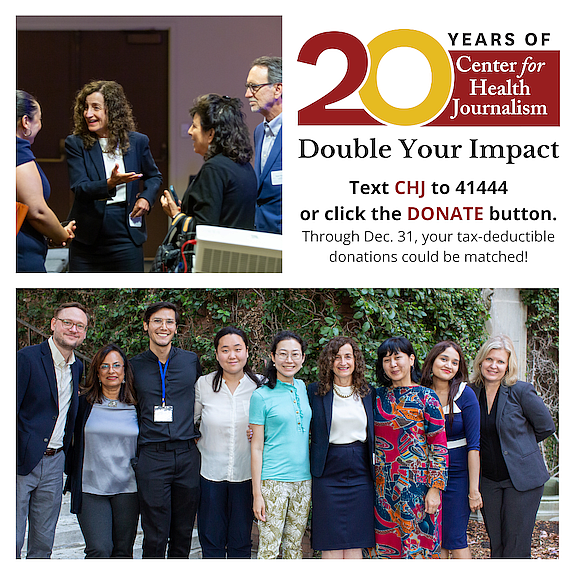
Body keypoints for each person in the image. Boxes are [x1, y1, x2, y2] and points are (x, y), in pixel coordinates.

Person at [469, 334, 555, 558]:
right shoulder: (470, 392)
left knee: (515, 548)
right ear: (481, 361)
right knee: (497, 546)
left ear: (508, 366)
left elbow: (546, 426)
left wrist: (518, 447)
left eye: (500, 361)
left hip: (522, 480)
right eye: (489, 359)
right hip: (488, 481)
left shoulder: (521, 391)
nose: (493, 366)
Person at [129, 302, 202, 558]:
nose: (164, 327)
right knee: (155, 533)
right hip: (152, 456)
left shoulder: (191, 361)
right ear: (147, 326)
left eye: (169, 322)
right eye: (157, 321)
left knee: (183, 532)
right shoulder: (133, 366)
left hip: (186, 455)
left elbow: (205, 400)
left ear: (175, 328)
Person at [65, 80, 162, 272]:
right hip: (87, 238)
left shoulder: (137, 141)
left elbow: (153, 177)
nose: (88, 114)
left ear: (113, 110)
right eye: (85, 108)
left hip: (126, 234)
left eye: (96, 108)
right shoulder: (75, 144)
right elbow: (80, 188)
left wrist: (146, 199)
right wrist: (110, 183)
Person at [17, 302, 88, 558]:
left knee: (43, 542)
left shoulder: (77, 366)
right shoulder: (26, 359)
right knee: (11, 539)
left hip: (55, 462)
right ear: (53, 324)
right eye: (68, 322)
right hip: (21, 461)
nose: (73, 329)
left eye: (80, 326)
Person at [372, 336, 448, 559]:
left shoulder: (427, 397)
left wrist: (435, 489)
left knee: (419, 549)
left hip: (420, 489)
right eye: (387, 360)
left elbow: (439, 448)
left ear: (411, 359)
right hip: (384, 489)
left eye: (398, 357)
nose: (393, 364)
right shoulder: (376, 398)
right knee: (387, 551)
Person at [64, 344, 139, 558]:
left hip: (128, 489)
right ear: (97, 372)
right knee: (99, 549)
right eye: (104, 366)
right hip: (90, 489)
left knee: (123, 552)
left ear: (125, 371)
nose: (111, 371)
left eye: (117, 365)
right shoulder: (82, 404)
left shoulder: (137, 406)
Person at [194, 327, 261, 558]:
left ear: (247, 352)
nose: (232, 356)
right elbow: (191, 424)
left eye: (237, 349)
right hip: (210, 475)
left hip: (246, 475)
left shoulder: (260, 386)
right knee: (211, 540)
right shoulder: (204, 384)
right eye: (225, 350)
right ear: (216, 354)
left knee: (241, 541)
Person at [307, 336, 375, 558]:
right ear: (329, 361)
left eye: (348, 356)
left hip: (360, 472)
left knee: (356, 542)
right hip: (327, 471)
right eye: (336, 357)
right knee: (331, 543)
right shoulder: (315, 392)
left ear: (356, 361)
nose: (342, 362)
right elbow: (293, 418)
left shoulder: (368, 392)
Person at [249, 330, 311, 558]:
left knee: (294, 548)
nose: (289, 360)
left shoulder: (304, 388)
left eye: (295, 354)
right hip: (273, 482)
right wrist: (257, 494)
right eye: (283, 354)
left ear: (303, 358)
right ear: (273, 358)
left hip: (303, 481)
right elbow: (256, 447)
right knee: (268, 549)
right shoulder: (261, 396)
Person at [160, 94, 257, 232]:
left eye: (194, 126)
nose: (189, 132)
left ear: (211, 134)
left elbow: (205, 230)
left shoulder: (213, 169)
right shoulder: (244, 166)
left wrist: (176, 216)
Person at [421, 341, 482, 558]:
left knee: (455, 538)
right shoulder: (420, 393)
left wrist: (473, 491)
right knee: (435, 540)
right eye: (444, 359)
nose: (449, 365)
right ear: (432, 361)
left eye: (455, 362)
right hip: (426, 476)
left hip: (457, 476)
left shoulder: (466, 395)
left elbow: (474, 446)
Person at [16, 90, 75, 272]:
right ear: (26, 122)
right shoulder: (16, 150)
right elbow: (37, 212)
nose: (41, 125)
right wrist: (60, 234)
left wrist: (53, 229)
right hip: (21, 255)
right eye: (39, 119)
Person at [244, 56, 282, 234]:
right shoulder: (259, 131)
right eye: (247, 87)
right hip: (262, 232)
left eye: (254, 87)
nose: (248, 94)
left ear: (277, 89)